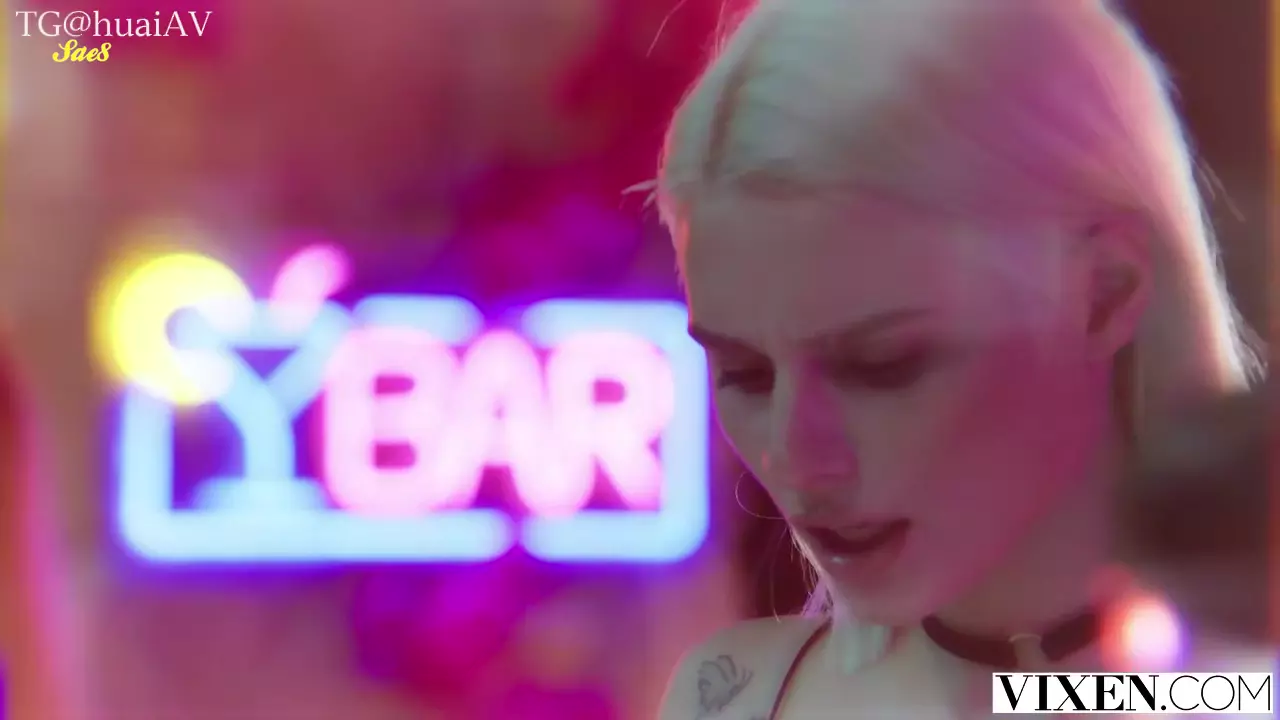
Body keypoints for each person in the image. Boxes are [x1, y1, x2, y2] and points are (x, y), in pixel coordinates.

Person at [651, 1, 1270, 717]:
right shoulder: (730, 696)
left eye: (883, 364)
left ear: (1105, 292)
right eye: (745, 375)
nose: (795, 459)